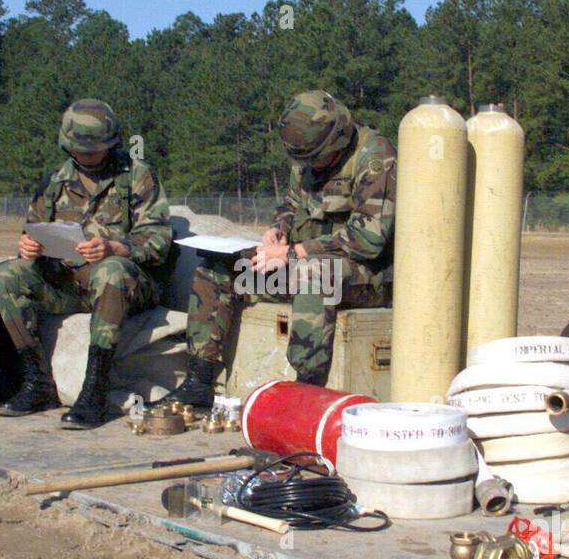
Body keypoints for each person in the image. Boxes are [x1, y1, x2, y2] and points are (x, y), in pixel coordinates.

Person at [160, 90, 395, 408]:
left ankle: (306, 394)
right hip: (300, 263)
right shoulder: (307, 158)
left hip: (366, 278)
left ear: (336, 138)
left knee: (315, 276)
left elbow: (369, 239)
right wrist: (278, 230)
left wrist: (295, 252)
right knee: (217, 269)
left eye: (315, 159)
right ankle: (199, 380)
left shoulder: (374, 157)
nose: (309, 166)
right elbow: (292, 203)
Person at [0, 99, 173, 429]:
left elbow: (159, 238)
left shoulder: (137, 175)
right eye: (79, 150)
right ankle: (36, 383)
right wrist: (27, 247)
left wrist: (117, 246)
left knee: (111, 270)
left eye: (94, 150)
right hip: (70, 284)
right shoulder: (54, 181)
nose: (86, 157)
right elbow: (33, 227)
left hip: (126, 287)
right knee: (7, 274)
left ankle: (95, 389)